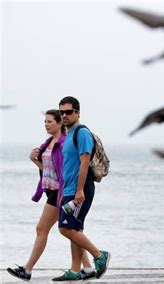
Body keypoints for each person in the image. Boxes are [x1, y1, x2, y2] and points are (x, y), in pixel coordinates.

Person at [7, 110, 96, 281]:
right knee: (72, 230)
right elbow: (49, 170)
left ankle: (27, 269)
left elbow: (65, 171)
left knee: (44, 229)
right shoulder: (48, 143)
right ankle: (88, 267)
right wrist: (35, 161)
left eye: (50, 121)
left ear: (59, 123)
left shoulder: (63, 143)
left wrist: (71, 192)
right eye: (45, 122)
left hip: (60, 192)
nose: (46, 124)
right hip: (52, 191)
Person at [52, 97, 110, 281]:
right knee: (75, 229)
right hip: (69, 189)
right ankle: (76, 271)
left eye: (69, 112)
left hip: (80, 188)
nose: (65, 115)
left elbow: (84, 163)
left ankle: (100, 256)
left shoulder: (82, 133)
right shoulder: (69, 134)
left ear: (77, 112)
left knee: (65, 228)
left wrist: (79, 191)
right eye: (62, 112)